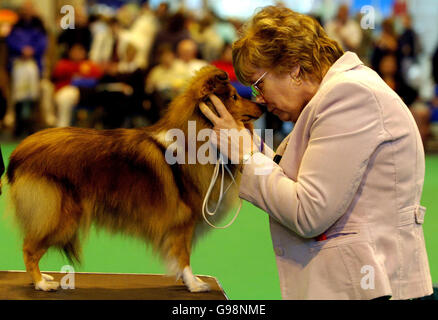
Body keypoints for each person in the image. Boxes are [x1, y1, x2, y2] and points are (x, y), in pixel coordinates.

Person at [199, 6, 432, 300]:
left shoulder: (349, 95)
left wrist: (246, 155)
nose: (258, 99)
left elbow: (308, 212)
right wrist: (246, 145)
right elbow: (293, 175)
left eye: (259, 84)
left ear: (294, 68)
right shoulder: (334, 95)